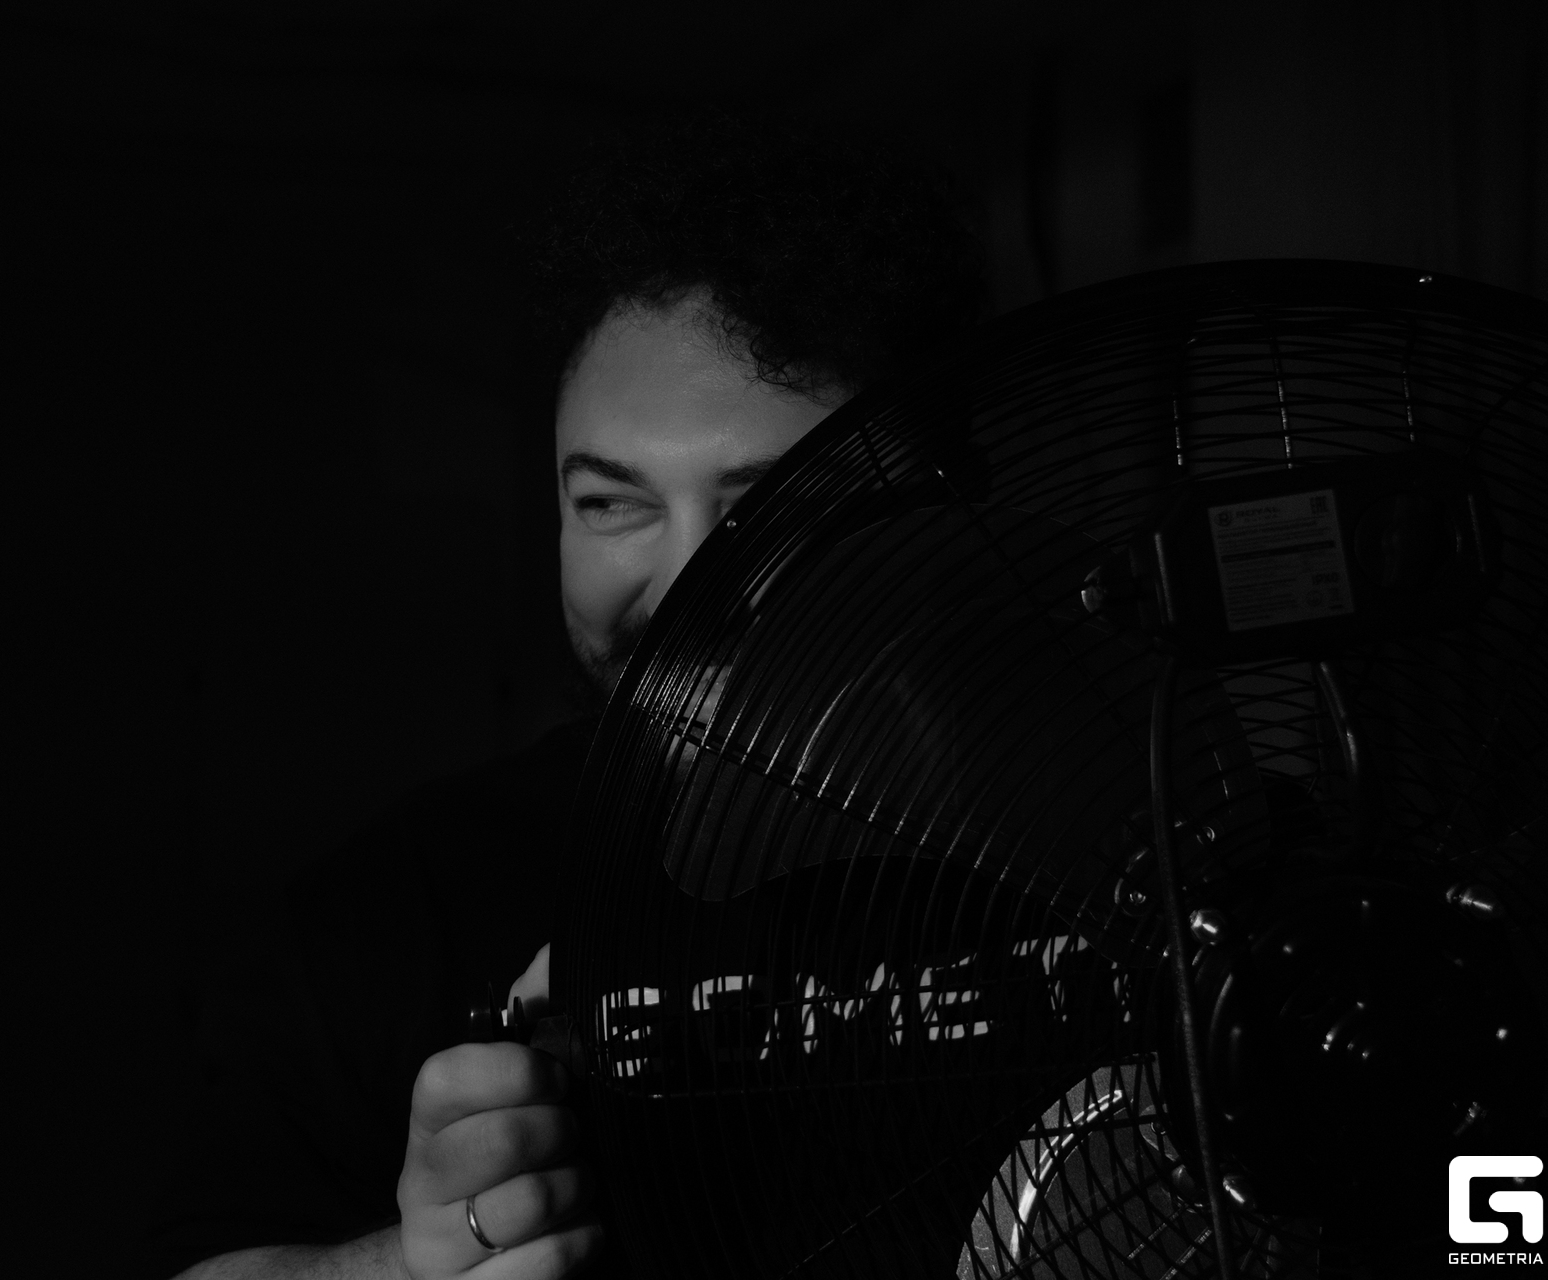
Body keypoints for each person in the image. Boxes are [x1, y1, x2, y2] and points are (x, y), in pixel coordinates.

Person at [140, 117, 984, 1280]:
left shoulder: (1150, 851)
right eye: (611, 503)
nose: (688, 590)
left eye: (774, 510)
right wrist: (411, 1265)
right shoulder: (388, 916)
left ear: (936, 513)